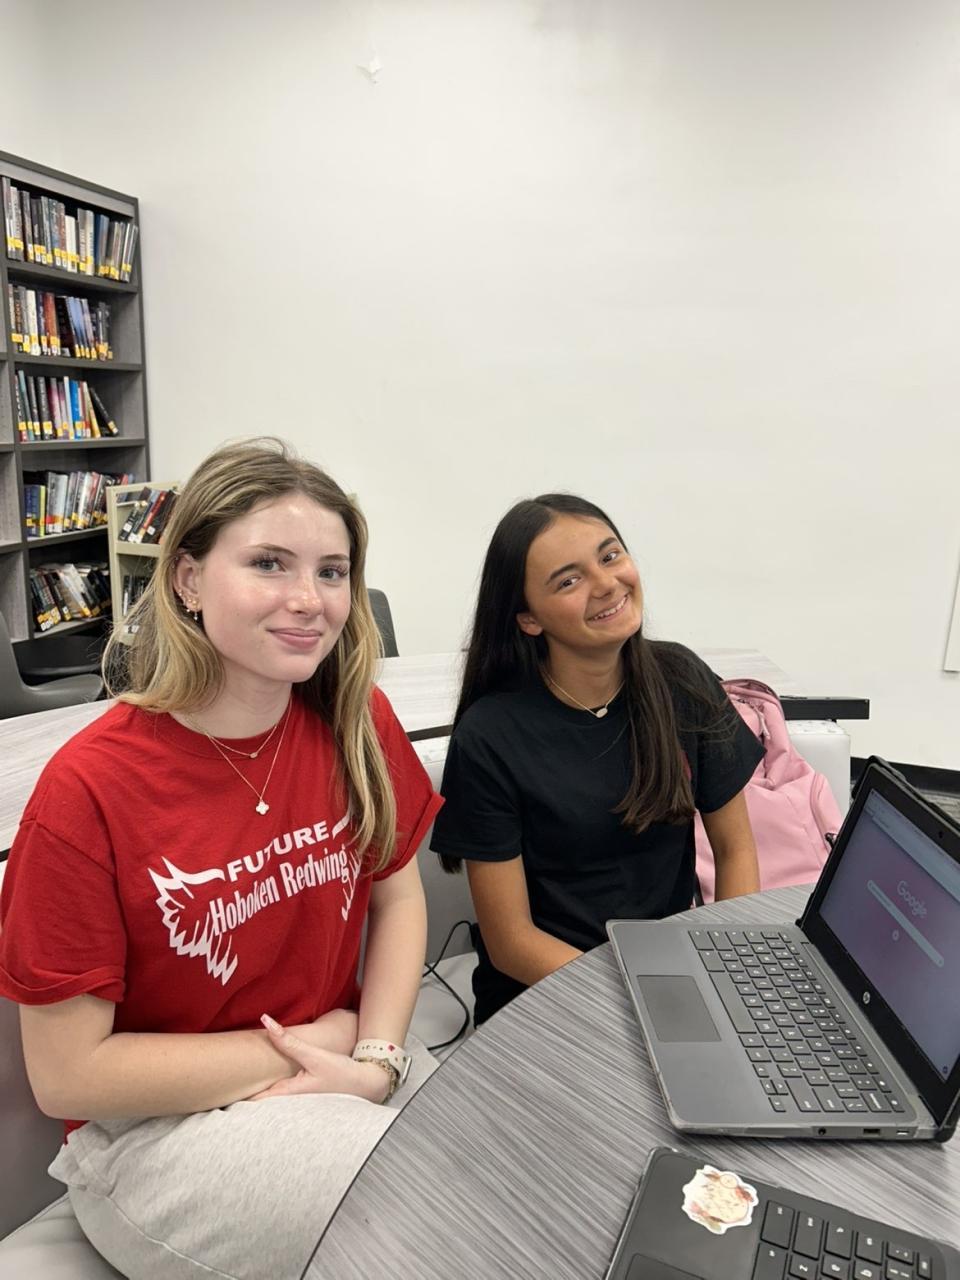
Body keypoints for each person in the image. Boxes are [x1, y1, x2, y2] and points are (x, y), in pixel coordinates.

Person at [0, 439, 442, 1280]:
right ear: (188, 580)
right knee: (415, 1219)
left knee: (510, 1165)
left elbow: (398, 897)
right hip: (157, 1133)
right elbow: (66, 1076)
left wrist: (376, 1059)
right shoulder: (89, 791)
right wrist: (314, 1041)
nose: (309, 600)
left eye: (332, 571)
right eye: (269, 563)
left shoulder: (354, 721)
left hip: (341, 1070)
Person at [431, 493, 763, 1026]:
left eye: (610, 556)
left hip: (669, 978)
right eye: (569, 581)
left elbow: (735, 849)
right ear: (528, 618)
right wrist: (646, 999)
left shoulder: (681, 680)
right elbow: (512, 942)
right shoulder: (490, 734)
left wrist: (727, 970)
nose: (606, 583)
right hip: (546, 995)